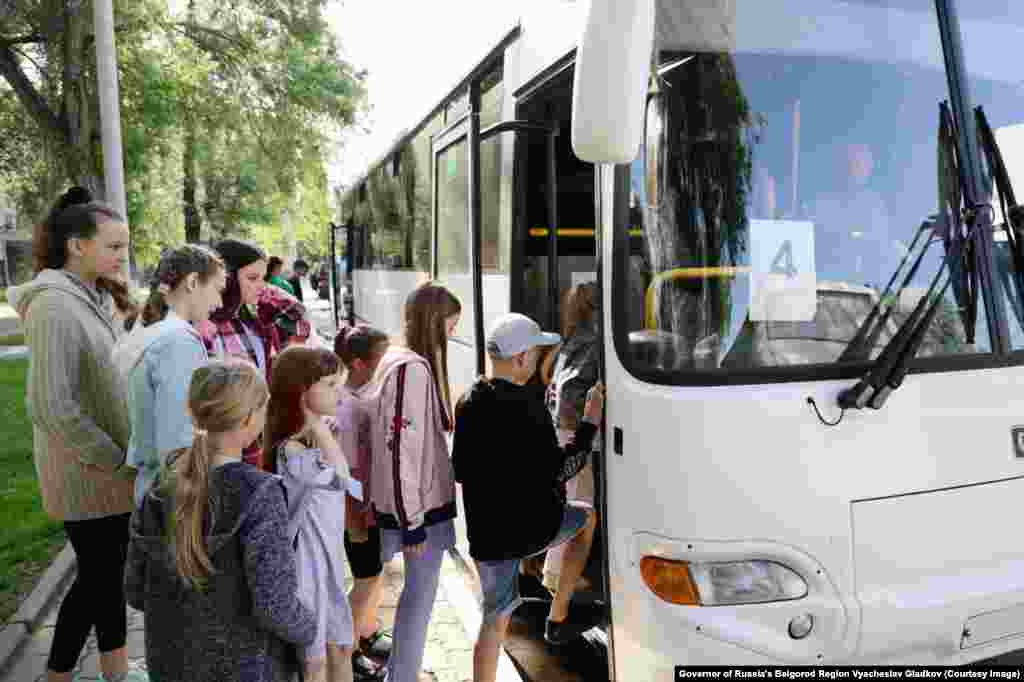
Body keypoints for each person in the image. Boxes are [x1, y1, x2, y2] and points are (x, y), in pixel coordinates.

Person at [8, 188, 145, 682]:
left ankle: (114, 670)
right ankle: (58, 675)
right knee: (96, 582)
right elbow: (50, 405)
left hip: (109, 472)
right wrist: (113, 458)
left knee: (104, 581)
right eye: (113, 246)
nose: (121, 256)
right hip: (87, 476)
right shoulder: (53, 307)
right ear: (77, 245)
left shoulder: (91, 297)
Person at [125, 360, 317, 681]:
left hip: (171, 662)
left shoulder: (159, 492)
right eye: (263, 408)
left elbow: (135, 591)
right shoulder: (260, 494)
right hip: (246, 666)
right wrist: (310, 628)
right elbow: (275, 604)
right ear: (247, 419)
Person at [453, 313, 605, 682]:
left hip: (488, 538)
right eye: (536, 355)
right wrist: (589, 422)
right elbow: (565, 468)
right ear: (520, 358)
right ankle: (558, 614)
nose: (538, 363)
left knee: (493, 621)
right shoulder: (529, 408)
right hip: (533, 529)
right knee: (586, 519)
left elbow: (459, 470)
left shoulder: (469, 400)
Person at [362, 282, 460, 682]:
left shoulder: (399, 360)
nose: (453, 333)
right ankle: (402, 676)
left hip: (414, 504)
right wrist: (412, 520)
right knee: (420, 598)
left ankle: (405, 672)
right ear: (435, 322)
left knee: (417, 596)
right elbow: (401, 448)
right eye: (451, 324)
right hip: (417, 510)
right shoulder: (413, 369)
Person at [262, 346, 363, 682]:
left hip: (328, 564)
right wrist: (319, 430)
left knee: (340, 649)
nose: (340, 393)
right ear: (303, 390)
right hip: (308, 570)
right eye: (331, 384)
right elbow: (343, 482)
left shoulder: (305, 443)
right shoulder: (293, 451)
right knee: (315, 661)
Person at [112, 244, 226, 506]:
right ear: (193, 282)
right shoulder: (178, 342)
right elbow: (180, 440)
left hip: (153, 489)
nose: (219, 302)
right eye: (218, 290)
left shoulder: (153, 332)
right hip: (173, 499)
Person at [197, 238, 310, 465]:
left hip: (257, 434)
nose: (261, 285)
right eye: (252, 278)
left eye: (263, 278)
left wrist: (260, 289)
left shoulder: (252, 319)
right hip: (223, 445)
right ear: (226, 279)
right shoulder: (204, 327)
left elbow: (300, 318)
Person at [333, 325, 393, 678]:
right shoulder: (348, 408)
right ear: (358, 363)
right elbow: (349, 473)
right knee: (365, 578)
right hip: (357, 514)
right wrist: (356, 521)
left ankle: (366, 633)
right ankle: (350, 650)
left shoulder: (357, 396)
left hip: (365, 510)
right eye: (381, 360)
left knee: (372, 573)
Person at [543, 282, 601, 595]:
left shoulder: (573, 337)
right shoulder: (594, 341)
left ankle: (555, 571)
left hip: (560, 425)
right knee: (580, 504)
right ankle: (556, 576)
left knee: (571, 498)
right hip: (575, 428)